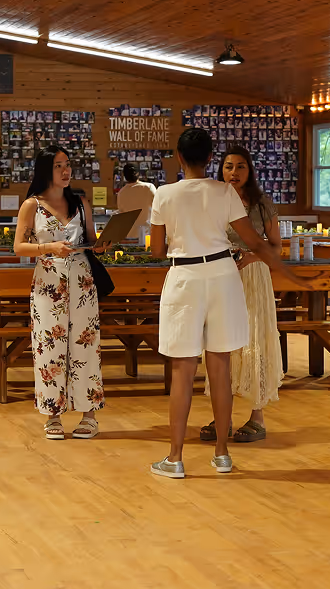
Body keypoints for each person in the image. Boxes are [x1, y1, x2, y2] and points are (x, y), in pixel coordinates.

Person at [147, 127, 304, 479]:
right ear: (210, 158)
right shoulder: (224, 192)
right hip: (222, 275)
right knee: (221, 366)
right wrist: (281, 264)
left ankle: (175, 458)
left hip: (184, 277)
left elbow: (157, 250)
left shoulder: (164, 194)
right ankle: (221, 455)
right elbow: (254, 239)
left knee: (183, 370)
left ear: (178, 156)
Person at [14, 147, 104, 439]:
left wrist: (102, 244)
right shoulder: (32, 205)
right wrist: (48, 247)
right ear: (45, 170)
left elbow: (91, 239)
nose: (66, 171)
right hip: (48, 284)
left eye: (67, 165)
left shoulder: (79, 202)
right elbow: (19, 247)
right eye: (58, 166)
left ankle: (89, 414)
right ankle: (52, 413)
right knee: (49, 346)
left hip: (82, 282)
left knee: (85, 346)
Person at [201, 145, 283, 444]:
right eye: (228, 167)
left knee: (254, 340)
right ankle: (221, 414)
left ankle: (257, 415)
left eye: (240, 167)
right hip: (220, 277)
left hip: (252, 277)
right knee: (220, 344)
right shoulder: (211, 200)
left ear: (249, 171)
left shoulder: (262, 205)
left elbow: (276, 248)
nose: (233, 172)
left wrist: (251, 256)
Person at [116, 163, 157, 243]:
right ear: (139, 174)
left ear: (124, 176)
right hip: (147, 237)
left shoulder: (121, 192)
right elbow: (159, 208)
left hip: (129, 238)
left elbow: (121, 214)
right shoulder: (149, 188)